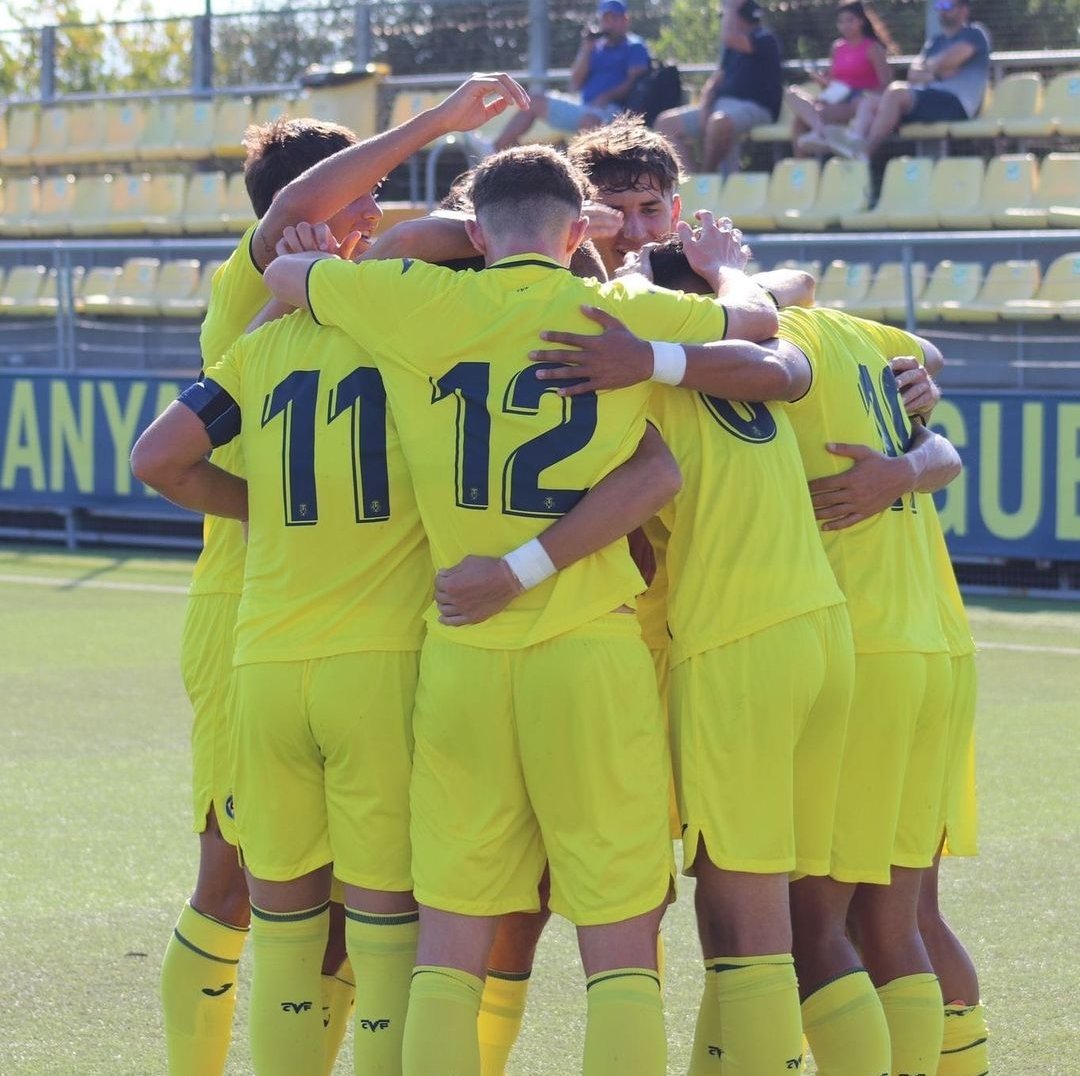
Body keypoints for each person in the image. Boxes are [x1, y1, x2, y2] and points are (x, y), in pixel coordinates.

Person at [263, 144, 778, 1076]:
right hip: (588, 651)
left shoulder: (416, 301)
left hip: (463, 651)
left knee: (450, 944)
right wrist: (722, 268)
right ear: (580, 231)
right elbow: (758, 321)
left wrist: (350, 253)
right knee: (619, 949)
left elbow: (288, 274)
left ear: (479, 231)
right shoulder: (618, 310)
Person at [152, 73, 531, 1076]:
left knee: (324, 910)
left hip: (309, 630)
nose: (377, 211)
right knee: (236, 884)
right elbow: (310, 212)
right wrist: (439, 124)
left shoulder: (357, 304)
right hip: (248, 612)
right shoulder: (255, 287)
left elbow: (431, 245)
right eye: (363, 192)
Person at [832, 0, 990, 160]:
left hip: (956, 105)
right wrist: (937, 74)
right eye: (939, 5)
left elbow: (950, 60)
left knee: (896, 92)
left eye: (947, 5)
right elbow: (913, 74)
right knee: (870, 102)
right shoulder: (935, 41)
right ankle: (854, 142)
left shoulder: (974, 34)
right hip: (929, 99)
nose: (942, 10)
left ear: (964, 10)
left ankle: (865, 153)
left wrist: (931, 67)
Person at [495, 0, 650, 150]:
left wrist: (606, 97)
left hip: (614, 110)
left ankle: (579, 164)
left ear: (625, 20)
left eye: (614, 18)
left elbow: (634, 82)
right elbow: (575, 82)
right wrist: (586, 49)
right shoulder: (595, 47)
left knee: (588, 122)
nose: (609, 24)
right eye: (606, 19)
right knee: (532, 102)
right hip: (584, 105)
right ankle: (501, 148)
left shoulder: (635, 46)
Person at [655, 0, 782, 175]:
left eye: (728, 17)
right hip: (720, 107)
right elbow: (717, 79)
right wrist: (706, 106)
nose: (725, 21)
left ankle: (707, 176)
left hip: (755, 109)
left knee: (719, 122)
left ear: (739, 17)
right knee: (665, 123)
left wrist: (730, 7)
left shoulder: (765, 39)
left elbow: (729, 38)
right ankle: (690, 183)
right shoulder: (731, 48)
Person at [789, 2, 895, 155]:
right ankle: (809, 151)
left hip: (858, 103)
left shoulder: (872, 48)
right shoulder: (837, 47)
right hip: (835, 100)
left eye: (850, 20)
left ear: (861, 21)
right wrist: (823, 82)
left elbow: (886, 84)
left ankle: (821, 135)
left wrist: (865, 96)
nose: (845, 25)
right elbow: (833, 83)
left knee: (803, 119)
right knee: (793, 95)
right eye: (841, 21)